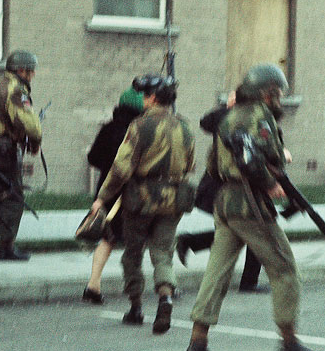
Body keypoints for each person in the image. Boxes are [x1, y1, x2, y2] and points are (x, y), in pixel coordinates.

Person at [184, 64, 325, 351]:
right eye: (278, 94)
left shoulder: (231, 117)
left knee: (217, 274)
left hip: (226, 203)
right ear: (267, 93)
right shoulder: (258, 117)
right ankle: (290, 344)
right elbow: (251, 159)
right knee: (285, 269)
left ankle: (197, 344)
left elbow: (220, 162)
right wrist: (271, 183)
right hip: (249, 205)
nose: (280, 100)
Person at [90, 74, 195, 335]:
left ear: (153, 98)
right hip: (173, 199)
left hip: (141, 198)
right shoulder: (184, 126)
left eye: (146, 95)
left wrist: (102, 198)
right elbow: (190, 164)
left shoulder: (139, 126)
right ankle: (165, 298)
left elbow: (121, 167)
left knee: (133, 254)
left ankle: (136, 307)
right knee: (163, 252)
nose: (144, 99)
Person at [176, 90, 269, 293]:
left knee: (238, 230)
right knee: (254, 229)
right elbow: (206, 121)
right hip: (226, 185)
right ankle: (248, 281)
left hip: (232, 185)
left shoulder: (246, 120)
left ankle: (191, 242)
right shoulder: (228, 120)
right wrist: (231, 108)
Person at [0, 50, 42, 261]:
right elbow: (31, 125)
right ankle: (6, 248)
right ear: (21, 70)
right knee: (13, 198)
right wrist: (35, 142)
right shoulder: (16, 90)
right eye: (31, 71)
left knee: (2, 195)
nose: (32, 75)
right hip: (2, 152)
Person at [81, 87, 144, 304]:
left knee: (108, 238)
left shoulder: (108, 128)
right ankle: (161, 288)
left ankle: (93, 284)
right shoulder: (138, 131)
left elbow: (93, 158)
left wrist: (107, 168)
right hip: (132, 193)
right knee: (143, 239)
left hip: (107, 191)